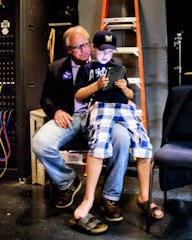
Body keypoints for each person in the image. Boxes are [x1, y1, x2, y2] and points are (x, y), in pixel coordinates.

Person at [32, 26, 136, 234]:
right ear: (69, 50)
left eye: (86, 44)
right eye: (77, 47)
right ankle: (67, 181)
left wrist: (125, 98)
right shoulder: (56, 68)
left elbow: (126, 95)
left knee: (122, 138)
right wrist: (56, 110)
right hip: (71, 118)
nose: (84, 50)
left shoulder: (109, 65)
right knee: (40, 143)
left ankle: (110, 196)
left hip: (101, 117)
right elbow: (46, 98)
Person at [72, 30, 164, 227]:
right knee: (98, 145)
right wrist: (96, 85)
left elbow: (130, 95)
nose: (106, 55)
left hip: (123, 107)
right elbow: (79, 95)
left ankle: (145, 197)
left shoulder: (119, 68)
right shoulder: (87, 69)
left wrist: (123, 88)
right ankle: (88, 200)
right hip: (101, 107)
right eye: (103, 50)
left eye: (110, 51)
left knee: (144, 143)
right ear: (94, 49)